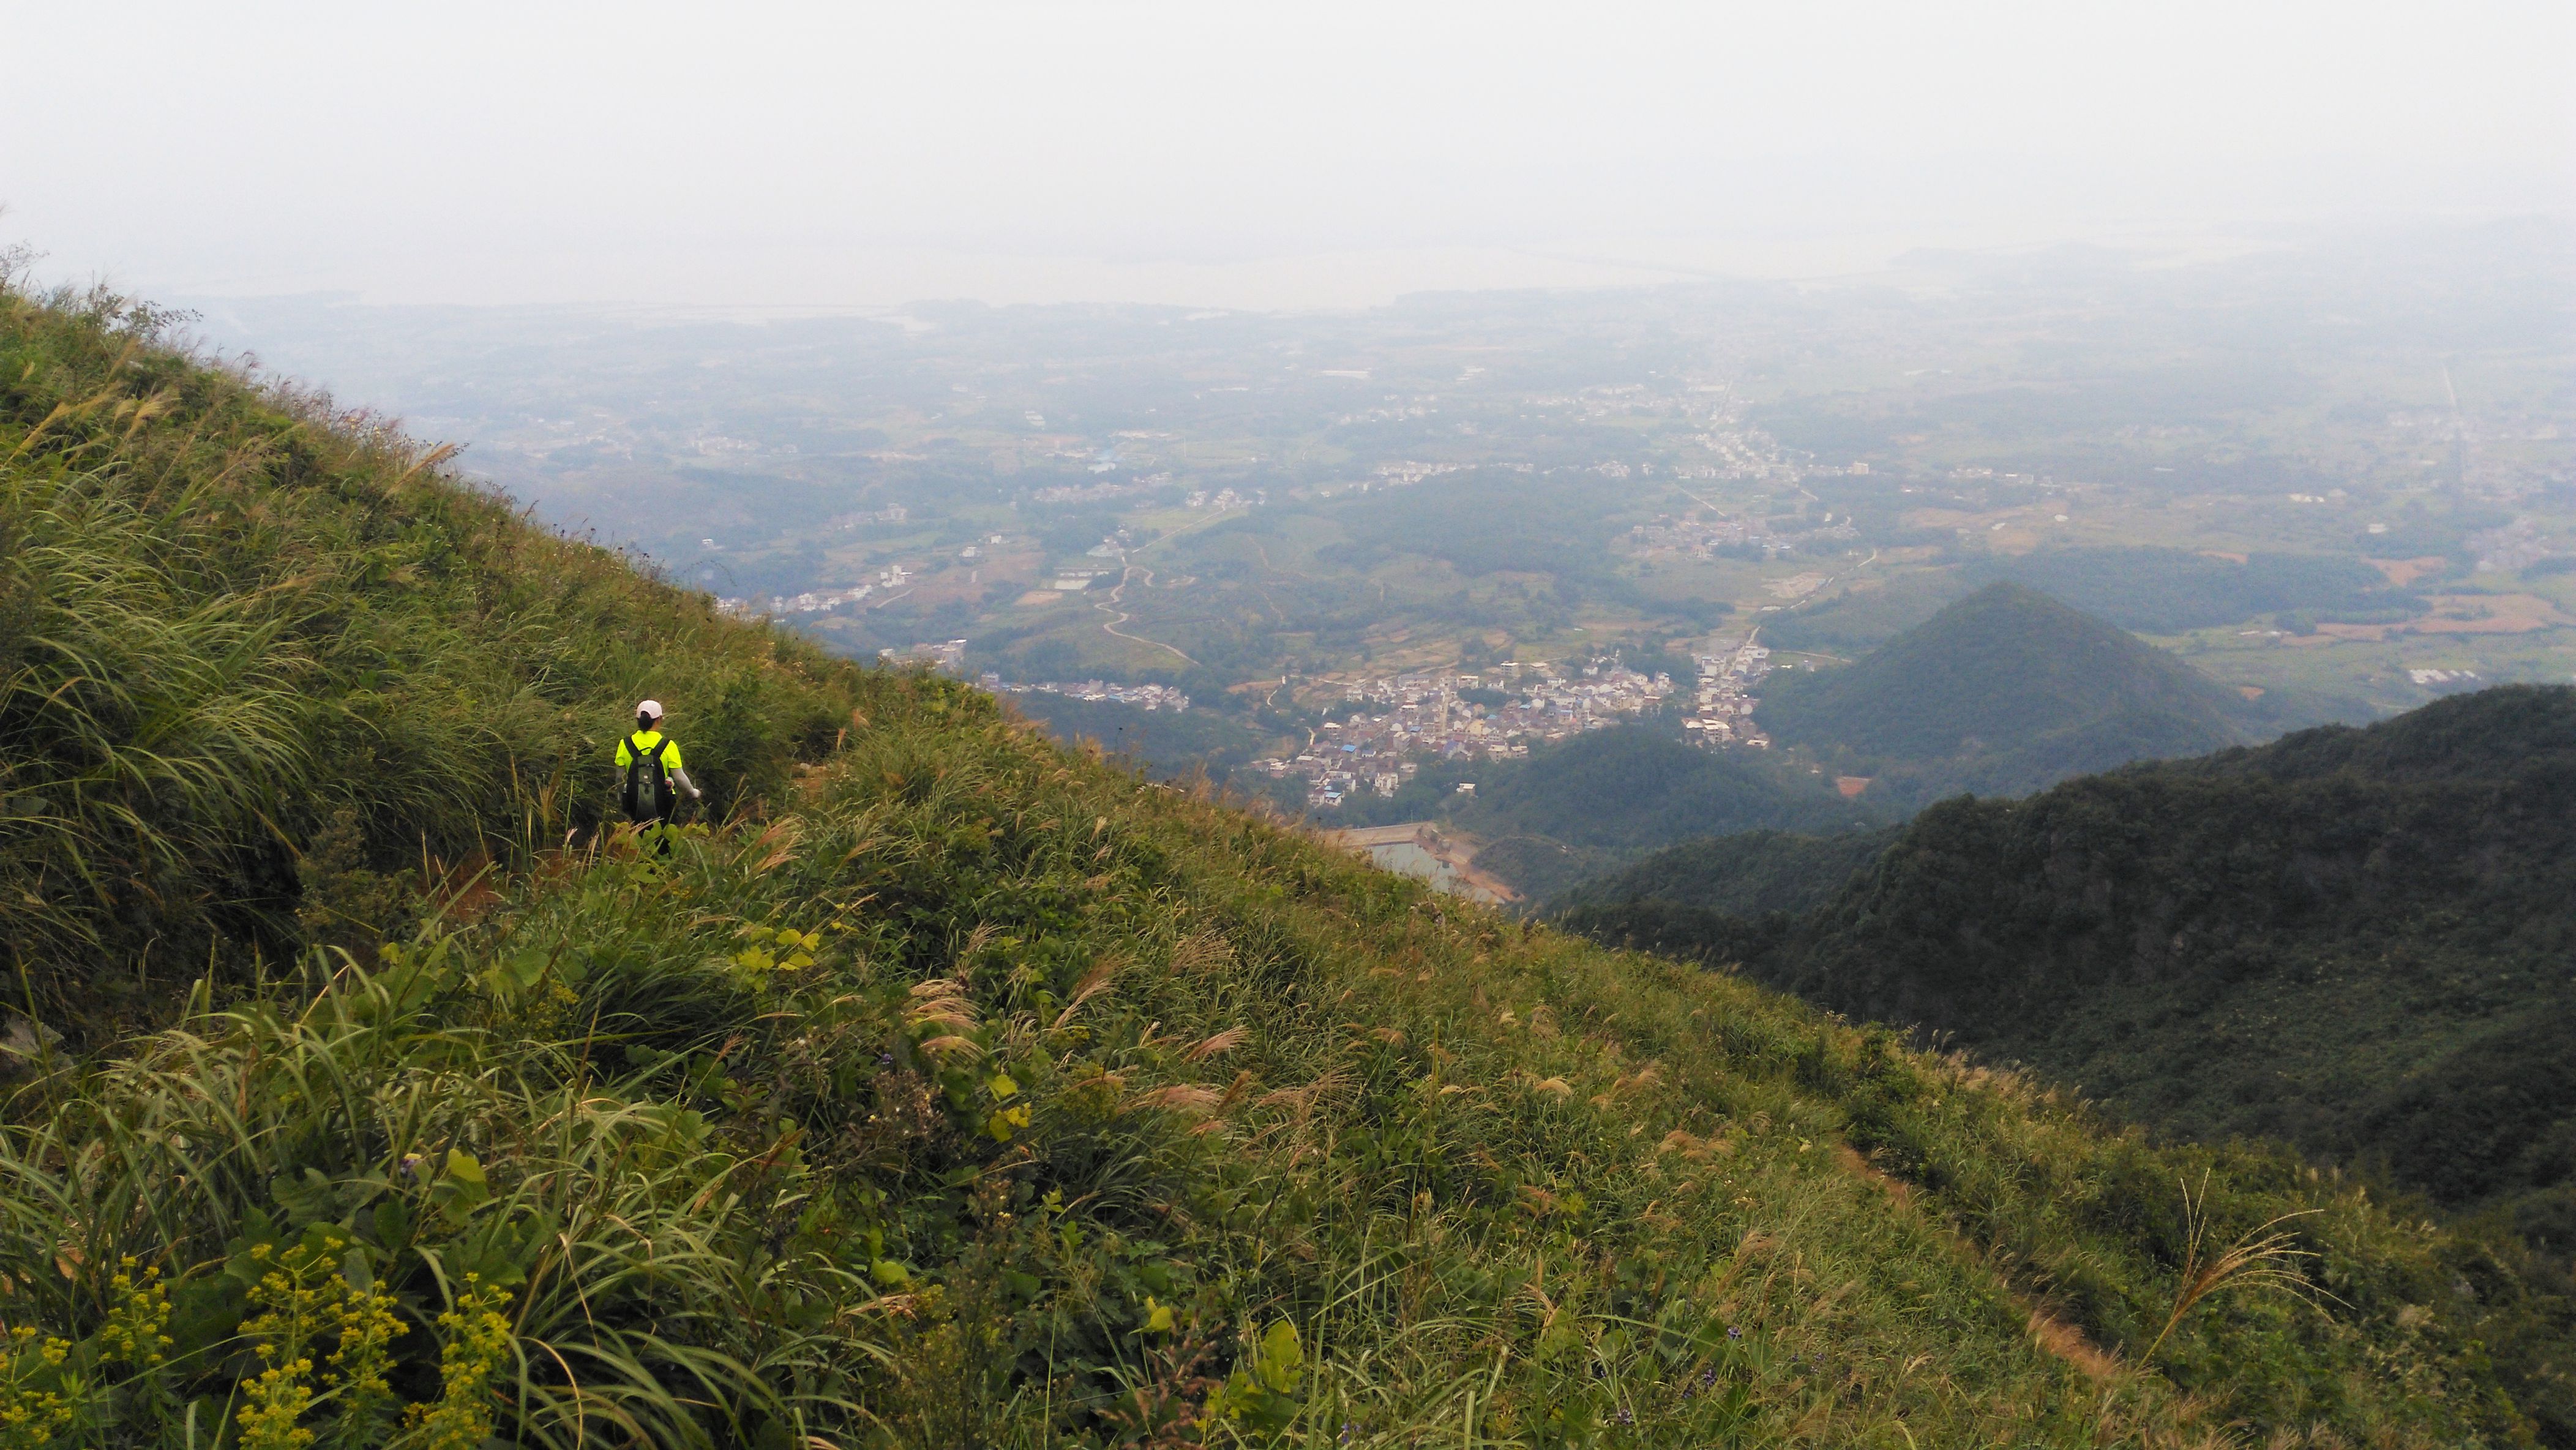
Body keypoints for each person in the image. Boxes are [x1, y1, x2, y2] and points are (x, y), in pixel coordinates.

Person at [616, 699, 701, 851]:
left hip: (635, 802)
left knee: (640, 841)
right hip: (664, 802)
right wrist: (692, 792)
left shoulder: (625, 744)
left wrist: (620, 796)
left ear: (638, 720)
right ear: (660, 719)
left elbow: (619, 778)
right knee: (664, 843)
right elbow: (680, 778)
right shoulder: (668, 745)